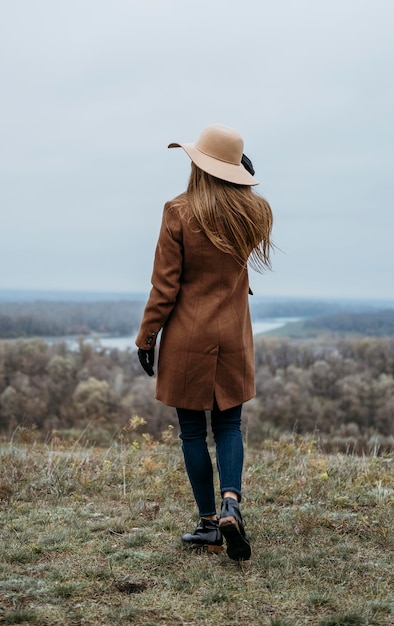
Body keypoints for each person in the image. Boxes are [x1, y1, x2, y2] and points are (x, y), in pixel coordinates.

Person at [135, 124, 273, 561]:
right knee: (229, 426)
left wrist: (146, 337)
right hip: (233, 335)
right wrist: (246, 181)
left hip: (188, 338)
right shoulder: (254, 213)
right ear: (235, 170)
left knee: (193, 432)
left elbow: (165, 288)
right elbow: (252, 207)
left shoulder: (178, 211)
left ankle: (210, 523)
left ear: (198, 164)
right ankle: (232, 501)